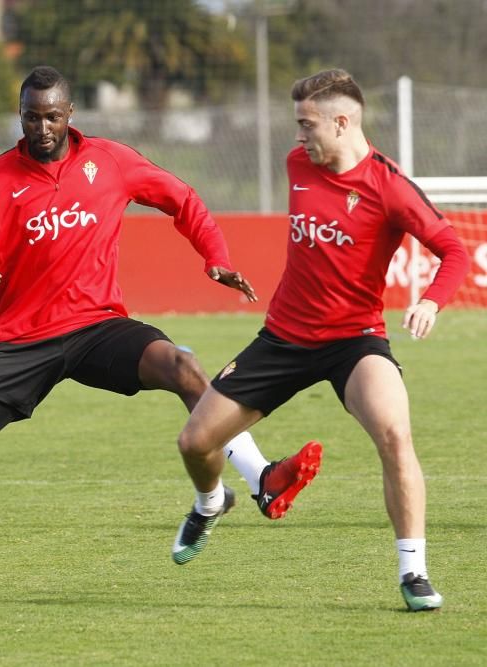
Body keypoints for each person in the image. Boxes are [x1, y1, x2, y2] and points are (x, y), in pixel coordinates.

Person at [0, 66, 320, 600]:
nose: (41, 127)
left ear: (70, 115)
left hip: (98, 327)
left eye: (51, 116)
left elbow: (182, 200)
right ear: (19, 116)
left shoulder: (110, 162)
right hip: (23, 343)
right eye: (30, 117)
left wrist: (215, 258)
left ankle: (261, 479)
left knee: (183, 368)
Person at [173, 69, 470, 611]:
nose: (297, 137)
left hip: (354, 342)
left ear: (342, 121)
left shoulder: (390, 187)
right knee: (194, 443)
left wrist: (429, 300)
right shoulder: (297, 166)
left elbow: (455, 249)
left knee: (395, 435)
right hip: (282, 338)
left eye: (306, 125)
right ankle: (211, 502)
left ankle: (414, 572)